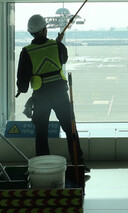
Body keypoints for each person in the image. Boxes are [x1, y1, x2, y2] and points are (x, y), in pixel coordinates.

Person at [16, 14, 87, 172]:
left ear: (31, 33)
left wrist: (21, 89)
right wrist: (58, 43)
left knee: (41, 134)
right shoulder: (56, 46)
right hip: (60, 95)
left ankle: (43, 168)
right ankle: (78, 163)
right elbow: (63, 59)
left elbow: (22, 84)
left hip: (41, 97)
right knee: (70, 129)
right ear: (45, 30)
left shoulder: (26, 52)